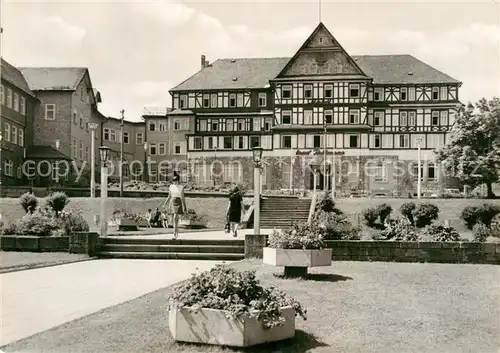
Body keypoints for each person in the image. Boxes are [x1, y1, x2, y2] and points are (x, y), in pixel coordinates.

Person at [163, 174, 187, 239]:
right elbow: (169, 196)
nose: (175, 181)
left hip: (178, 202)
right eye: (174, 180)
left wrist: (185, 206)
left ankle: (175, 233)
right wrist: (165, 203)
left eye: (176, 180)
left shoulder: (181, 187)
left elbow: (183, 197)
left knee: (175, 217)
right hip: (172, 202)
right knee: (173, 219)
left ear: (178, 180)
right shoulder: (171, 186)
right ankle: (176, 231)